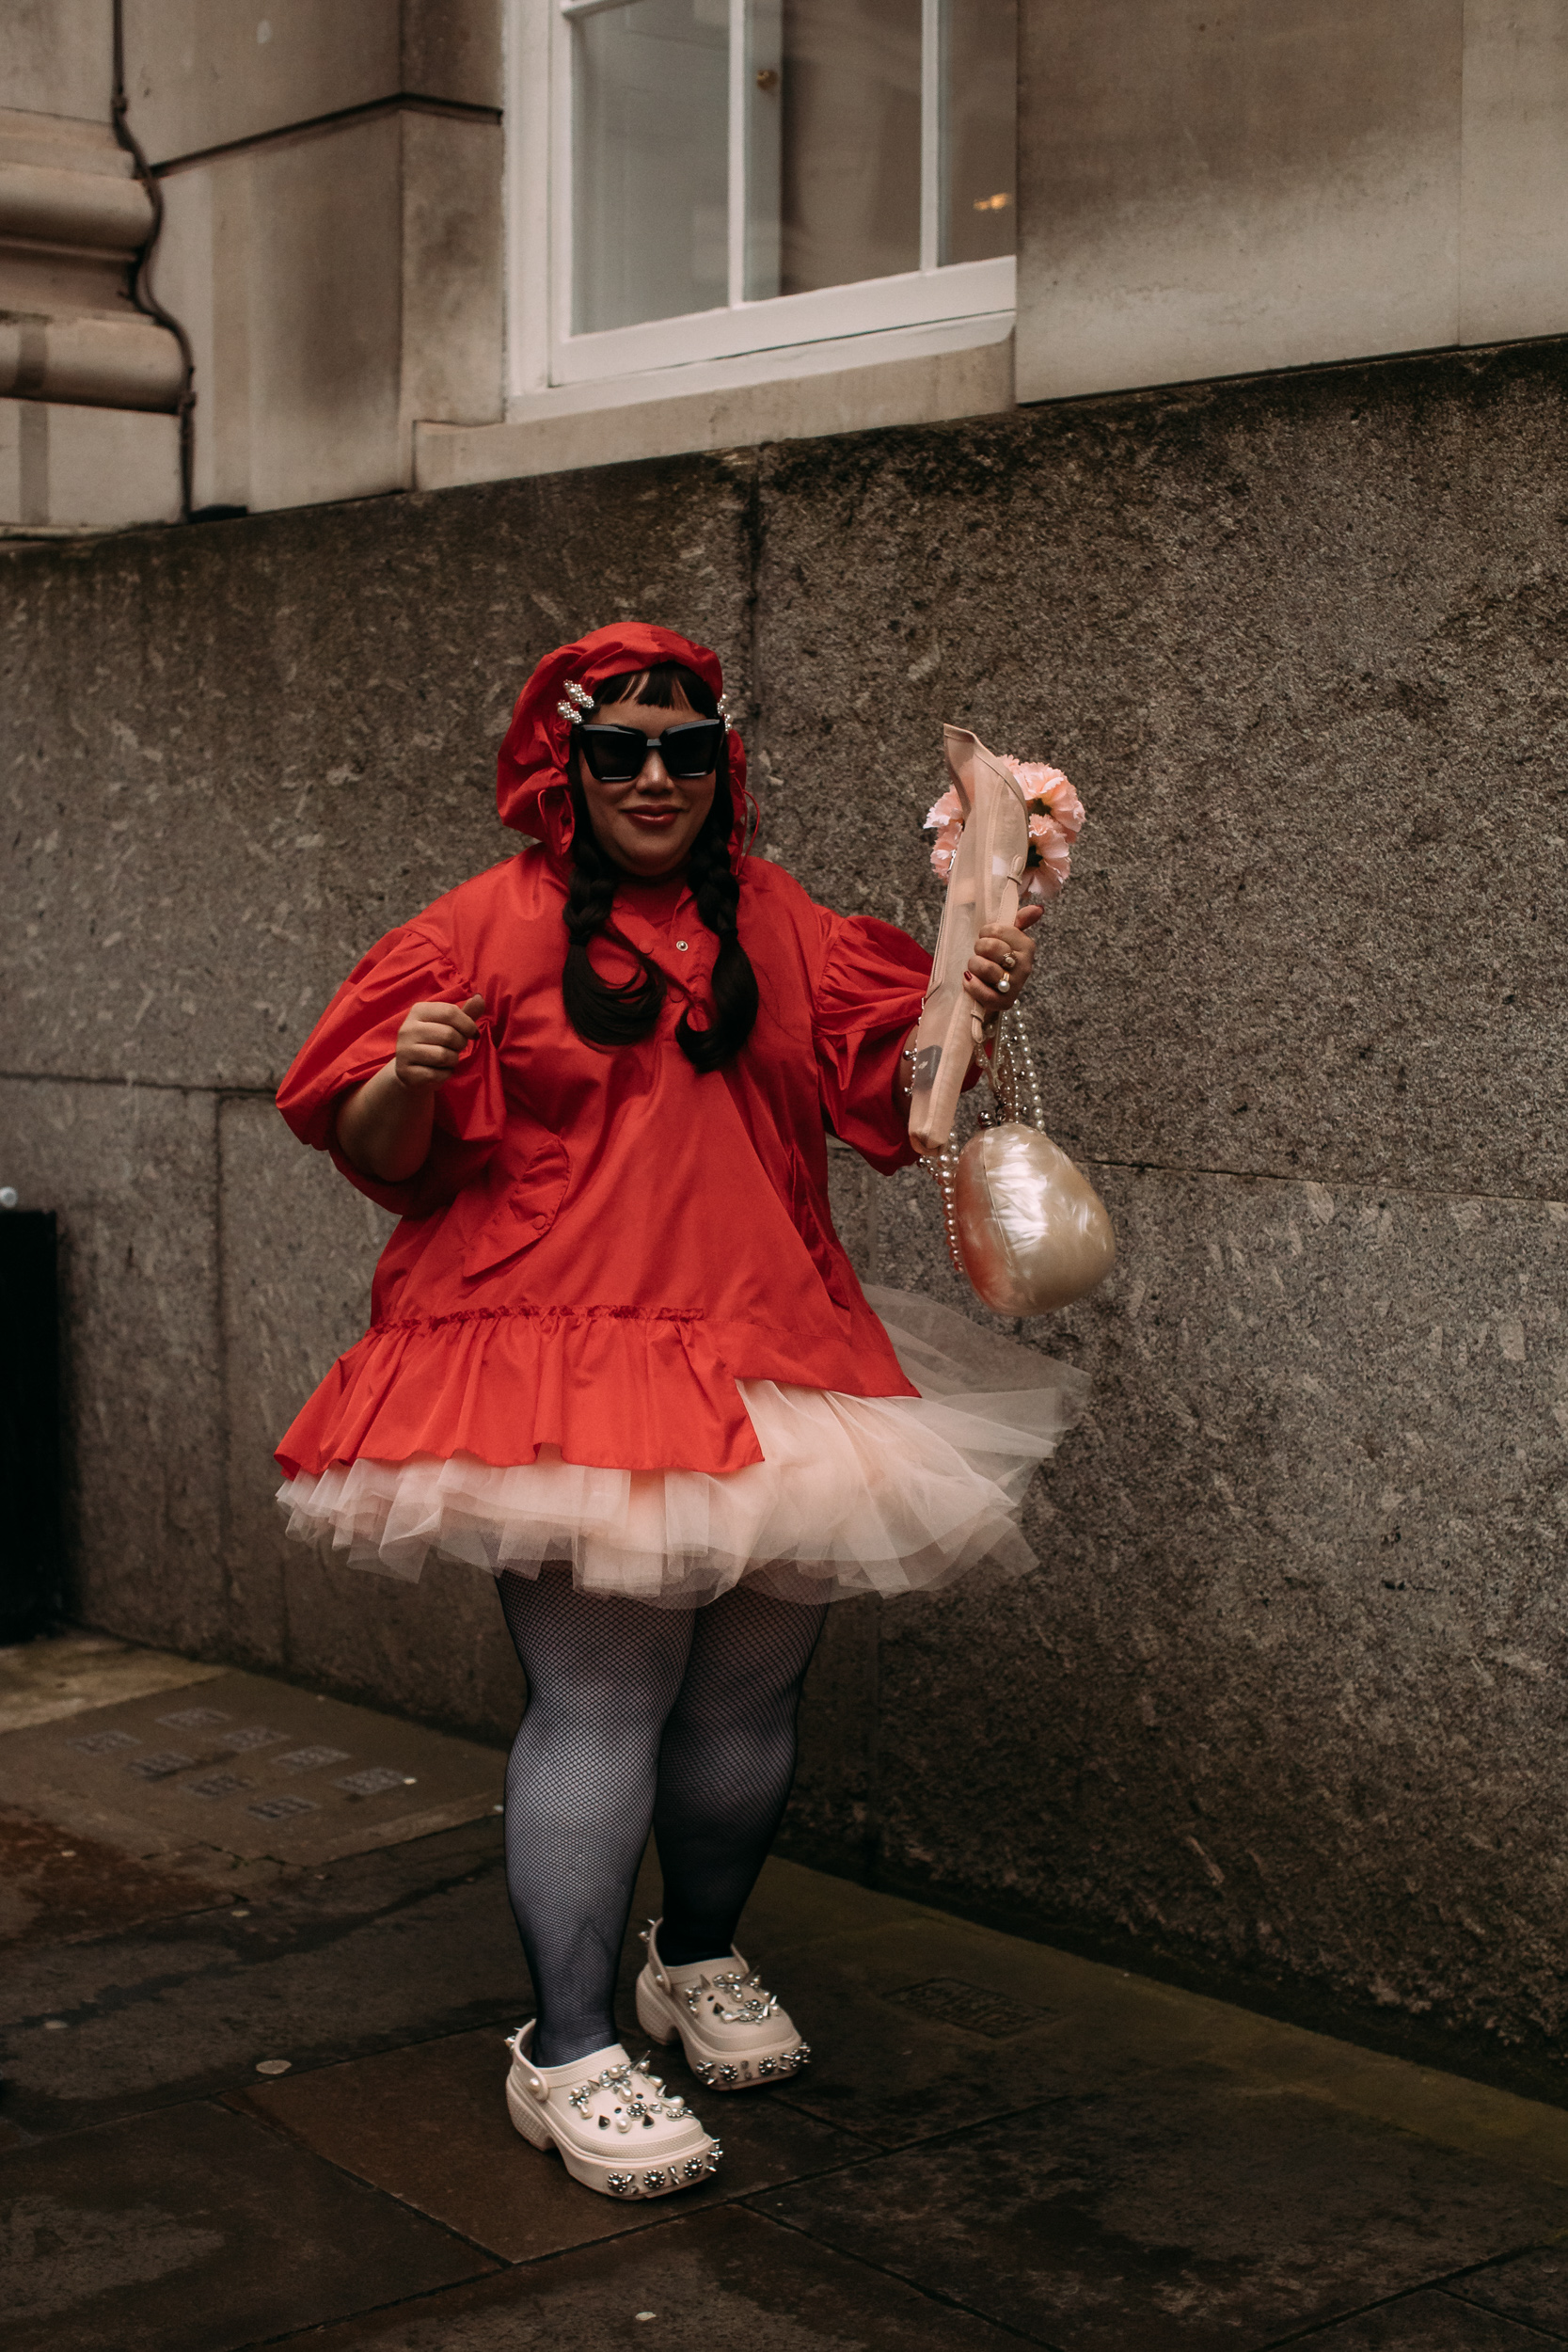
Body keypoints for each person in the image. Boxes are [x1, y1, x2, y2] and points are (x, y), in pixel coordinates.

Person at [273, 623, 1082, 2203]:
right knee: (604, 1705)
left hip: (776, 1349)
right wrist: (414, 1068)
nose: (656, 775)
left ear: (724, 770)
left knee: (746, 1708)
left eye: (687, 748)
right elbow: (376, 1138)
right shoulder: (474, 929)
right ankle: (566, 2047)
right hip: (565, 1364)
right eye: (623, 747)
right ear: (566, 767)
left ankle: (693, 1959)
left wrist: (970, 988)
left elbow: (891, 1108)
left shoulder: (778, 922)